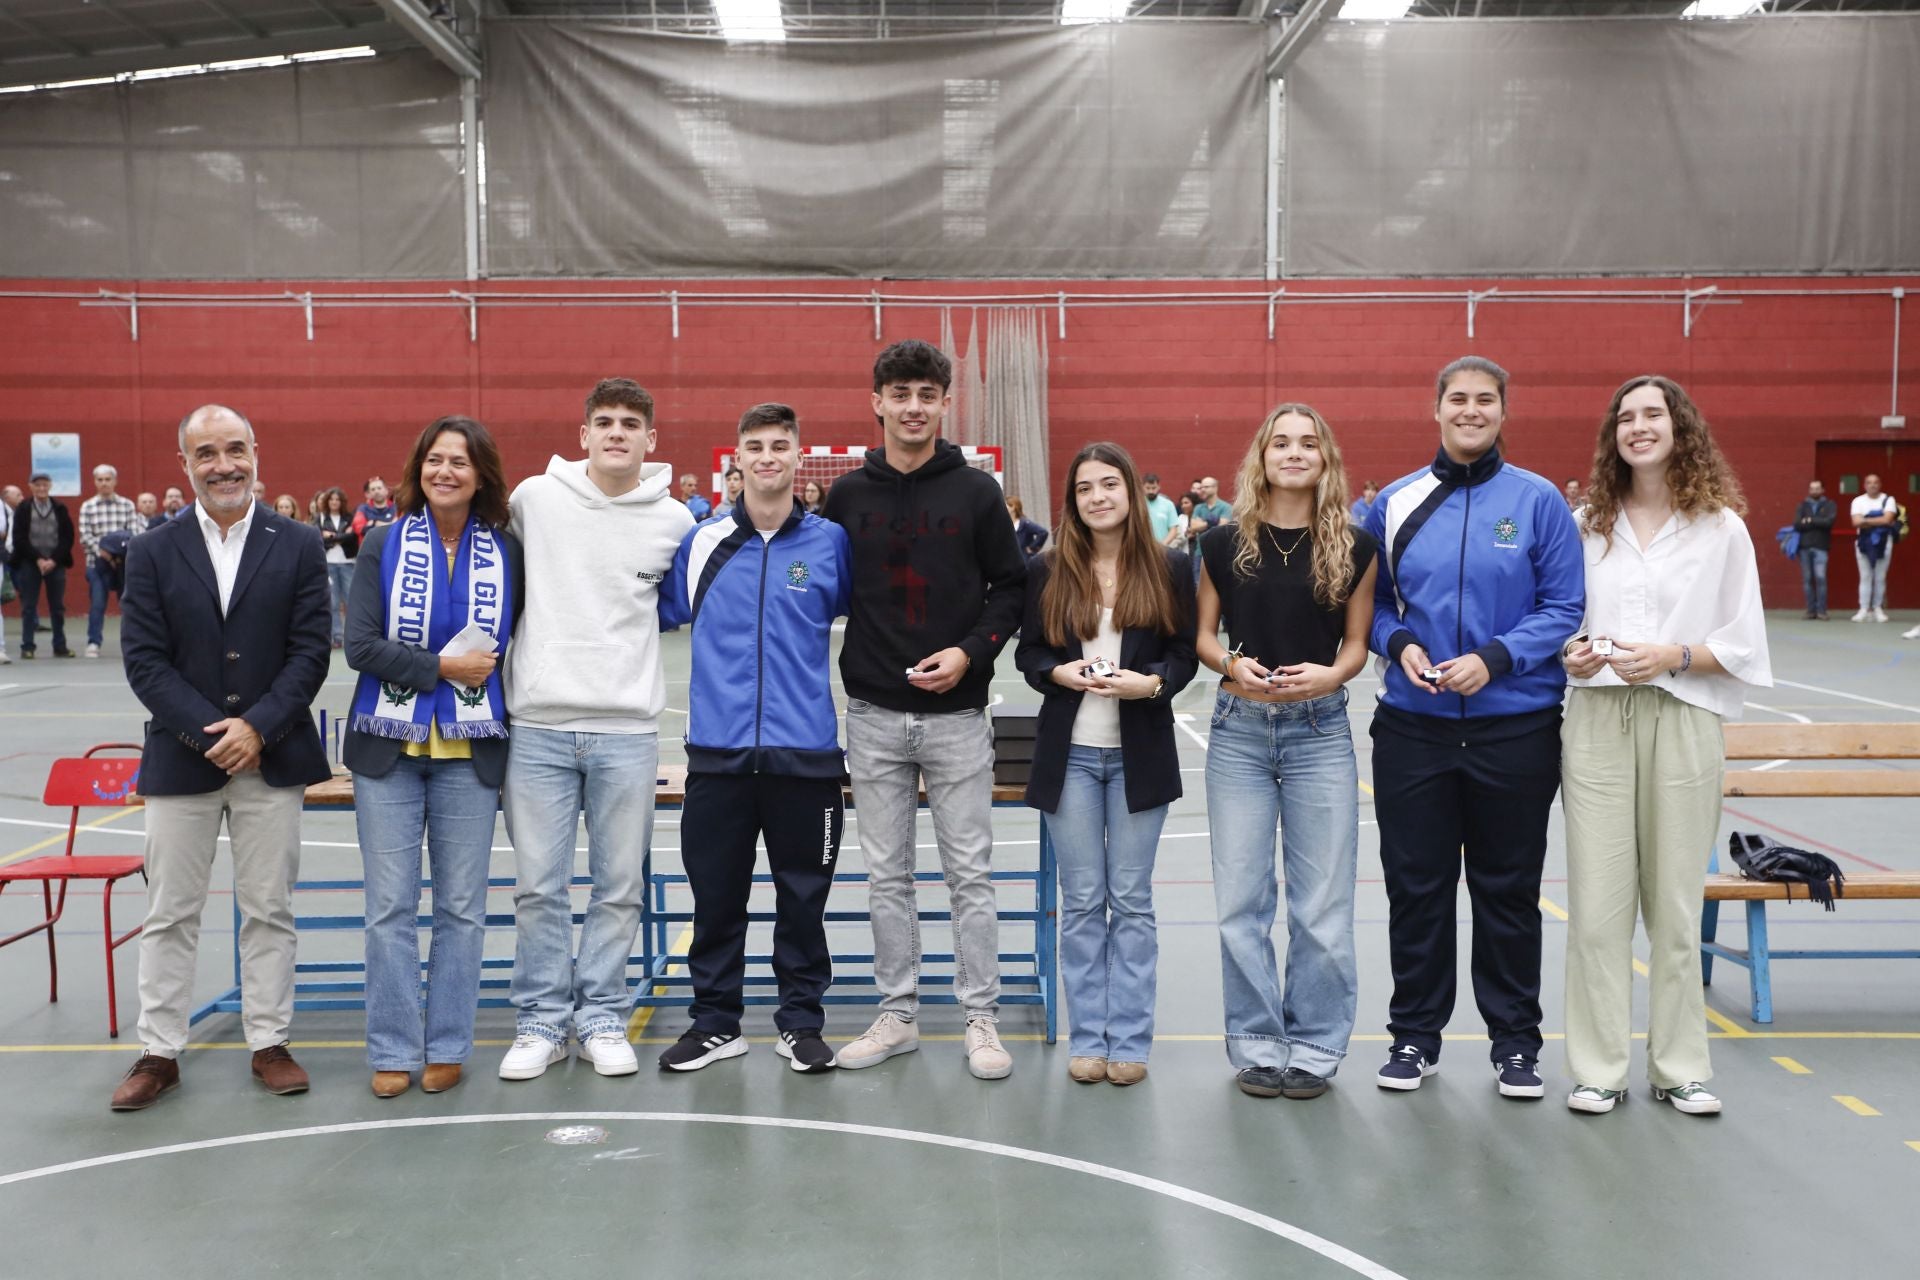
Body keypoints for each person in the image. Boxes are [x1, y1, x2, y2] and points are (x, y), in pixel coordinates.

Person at [1362, 356, 1584, 1099]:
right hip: (1413, 731)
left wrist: (1495, 659)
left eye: (1485, 399)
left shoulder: (1539, 501)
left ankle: (1516, 1045)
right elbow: (1375, 607)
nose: (1470, 410)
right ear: (1436, 408)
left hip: (1514, 730)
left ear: (1502, 411)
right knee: (1416, 889)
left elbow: (1563, 606)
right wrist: (1401, 645)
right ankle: (1414, 1037)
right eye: (1457, 398)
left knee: (1507, 890)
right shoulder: (1393, 503)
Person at [110, 405, 332, 1110]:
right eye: (206, 453)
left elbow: (309, 652)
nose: (223, 465)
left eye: (234, 449)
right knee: (170, 911)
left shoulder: (297, 543)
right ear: (185, 465)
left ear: (256, 453)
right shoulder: (152, 549)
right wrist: (214, 734)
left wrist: (258, 728)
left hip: (273, 755)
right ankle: (159, 1050)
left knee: (268, 907)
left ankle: (268, 1040)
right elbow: (144, 662)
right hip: (182, 761)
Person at [1561, 376, 1770, 1116]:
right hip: (1596, 720)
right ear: (1612, 436)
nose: (1638, 427)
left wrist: (1675, 656)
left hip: (1684, 717)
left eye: (1653, 414)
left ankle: (1680, 1066)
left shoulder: (1721, 528)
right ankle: (1598, 1069)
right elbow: (1563, 619)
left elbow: (1742, 642)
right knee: (1596, 907)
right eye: (1625, 417)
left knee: (1676, 908)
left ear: (1680, 428)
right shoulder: (1585, 522)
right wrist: (1575, 654)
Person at [824, 339, 1027, 1080]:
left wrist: (972, 652)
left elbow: (1011, 589)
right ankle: (898, 1014)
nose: (913, 407)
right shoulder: (846, 496)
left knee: (969, 874)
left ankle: (981, 1018)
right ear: (876, 402)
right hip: (873, 715)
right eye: (899, 393)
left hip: (957, 719)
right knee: (887, 877)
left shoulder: (975, 492)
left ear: (946, 405)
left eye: (926, 394)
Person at [497, 378, 694, 1081]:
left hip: (628, 734)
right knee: (538, 887)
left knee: (618, 886)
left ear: (651, 440)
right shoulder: (534, 500)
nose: (617, 433)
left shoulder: (674, 521)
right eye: (604, 422)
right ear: (583, 435)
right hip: (539, 729)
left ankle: (603, 1014)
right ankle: (543, 1022)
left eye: (630, 423)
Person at [656, 403, 852, 1074]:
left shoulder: (828, 544)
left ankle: (800, 1025)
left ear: (800, 457)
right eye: (755, 446)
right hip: (718, 756)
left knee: (804, 904)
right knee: (716, 900)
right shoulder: (700, 543)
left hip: (807, 758)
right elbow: (643, 613)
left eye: (779, 445)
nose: (767, 456)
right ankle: (716, 1024)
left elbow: (871, 619)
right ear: (735, 458)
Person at [1197, 405, 1377, 1101]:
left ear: (1324, 458)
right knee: (1241, 902)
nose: (1294, 453)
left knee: (1322, 906)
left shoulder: (1355, 547)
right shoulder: (1220, 542)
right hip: (1239, 732)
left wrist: (1333, 675)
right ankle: (1256, 1043)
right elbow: (1205, 637)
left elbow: (1357, 645)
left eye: (1308, 443)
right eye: (1282, 442)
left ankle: (1315, 1046)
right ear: (1262, 456)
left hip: (1319, 732)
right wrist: (1230, 664)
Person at [346, 416, 523, 1099]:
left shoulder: (506, 552)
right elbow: (359, 645)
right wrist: (446, 667)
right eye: (434, 459)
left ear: (481, 475)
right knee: (389, 907)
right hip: (389, 751)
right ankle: (392, 1047)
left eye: (459, 461)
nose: (444, 470)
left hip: (470, 755)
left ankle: (447, 1044)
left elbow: (521, 641)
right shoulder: (384, 543)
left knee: (461, 910)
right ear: (418, 468)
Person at [1015, 442, 1196, 1087]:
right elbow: (1029, 653)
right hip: (1072, 759)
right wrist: (1056, 672)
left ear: (1132, 494)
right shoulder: (1047, 569)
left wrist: (1149, 686)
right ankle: (1088, 1037)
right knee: (1084, 900)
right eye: (1085, 487)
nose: (1098, 496)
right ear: (1073, 500)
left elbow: (1184, 655)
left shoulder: (1171, 567)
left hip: (1139, 757)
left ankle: (1131, 1040)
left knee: (1132, 900)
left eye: (1109, 484)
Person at [9, 472, 75, 659]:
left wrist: (53, 560)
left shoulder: (60, 508)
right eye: (37, 485)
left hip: (56, 564)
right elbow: (19, 538)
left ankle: (60, 646)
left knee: (58, 607)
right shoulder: (23, 508)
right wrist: (38, 559)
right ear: (30, 486)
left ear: (50, 486)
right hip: (30, 564)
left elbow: (67, 537)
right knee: (28, 606)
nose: (41, 488)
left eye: (45, 484)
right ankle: (27, 646)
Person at [79, 463, 143, 658]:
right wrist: (102, 550)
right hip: (96, 564)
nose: (104, 483)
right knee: (98, 603)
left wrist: (117, 552)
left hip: (123, 564)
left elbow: (135, 532)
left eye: (108, 479)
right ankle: (93, 642)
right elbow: (84, 535)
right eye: (100, 480)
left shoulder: (127, 505)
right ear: (95, 482)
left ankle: (133, 644)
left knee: (128, 604)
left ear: (115, 481)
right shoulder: (87, 506)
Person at [314, 487, 360, 649]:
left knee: (351, 600)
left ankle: (354, 635)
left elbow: (353, 538)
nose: (334, 502)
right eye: (331, 499)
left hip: (348, 562)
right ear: (327, 501)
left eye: (337, 499)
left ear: (342, 502)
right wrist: (341, 536)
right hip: (328, 563)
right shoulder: (319, 518)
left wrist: (332, 536)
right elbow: (317, 538)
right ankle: (337, 636)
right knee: (332, 602)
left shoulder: (349, 517)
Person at [1850, 473, 1897, 622]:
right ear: (1864, 485)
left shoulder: (1888, 500)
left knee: (1880, 576)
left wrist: (1866, 519)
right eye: (1869, 483)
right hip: (1863, 542)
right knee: (1865, 576)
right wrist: (1879, 520)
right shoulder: (1858, 501)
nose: (1872, 485)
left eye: (1876, 482)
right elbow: (1856, 522)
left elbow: (1888, 518)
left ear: (1880, 484)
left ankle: (1877, 608)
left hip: (1883, 543)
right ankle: (1863, 608)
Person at [1794, 479, 1837, 621]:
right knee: (1807, 579)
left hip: (1821, 547)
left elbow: (1829, 522)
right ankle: (1810, 610)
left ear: (1822, 490)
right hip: (1805, 547)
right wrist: (1817, 521)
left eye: (1817, 488)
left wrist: (1810, 520)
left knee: (1820, 578)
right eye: (1812, 488)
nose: (1815, 491)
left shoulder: (1829, 505)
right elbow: (1797, 524)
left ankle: (1822, 611)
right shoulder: (1802, 505)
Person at [1007, 495, 1049, 559]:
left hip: (1024, 562)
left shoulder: (1025, 523)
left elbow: (1043, 532)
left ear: (1013, 507)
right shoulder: (1007, 524)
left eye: (1005, 505)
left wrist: (1032, 547)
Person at [1142, 471, 1179, 545]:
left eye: (1153, 488)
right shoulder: (1137, 503)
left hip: (1163, 548)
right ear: (1142, 487)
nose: (1151, 491)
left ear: (1159, 487)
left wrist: (1163, 545)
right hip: (1141, 548)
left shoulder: (1168, 504)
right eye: (1148, 488)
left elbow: (1173, 529)